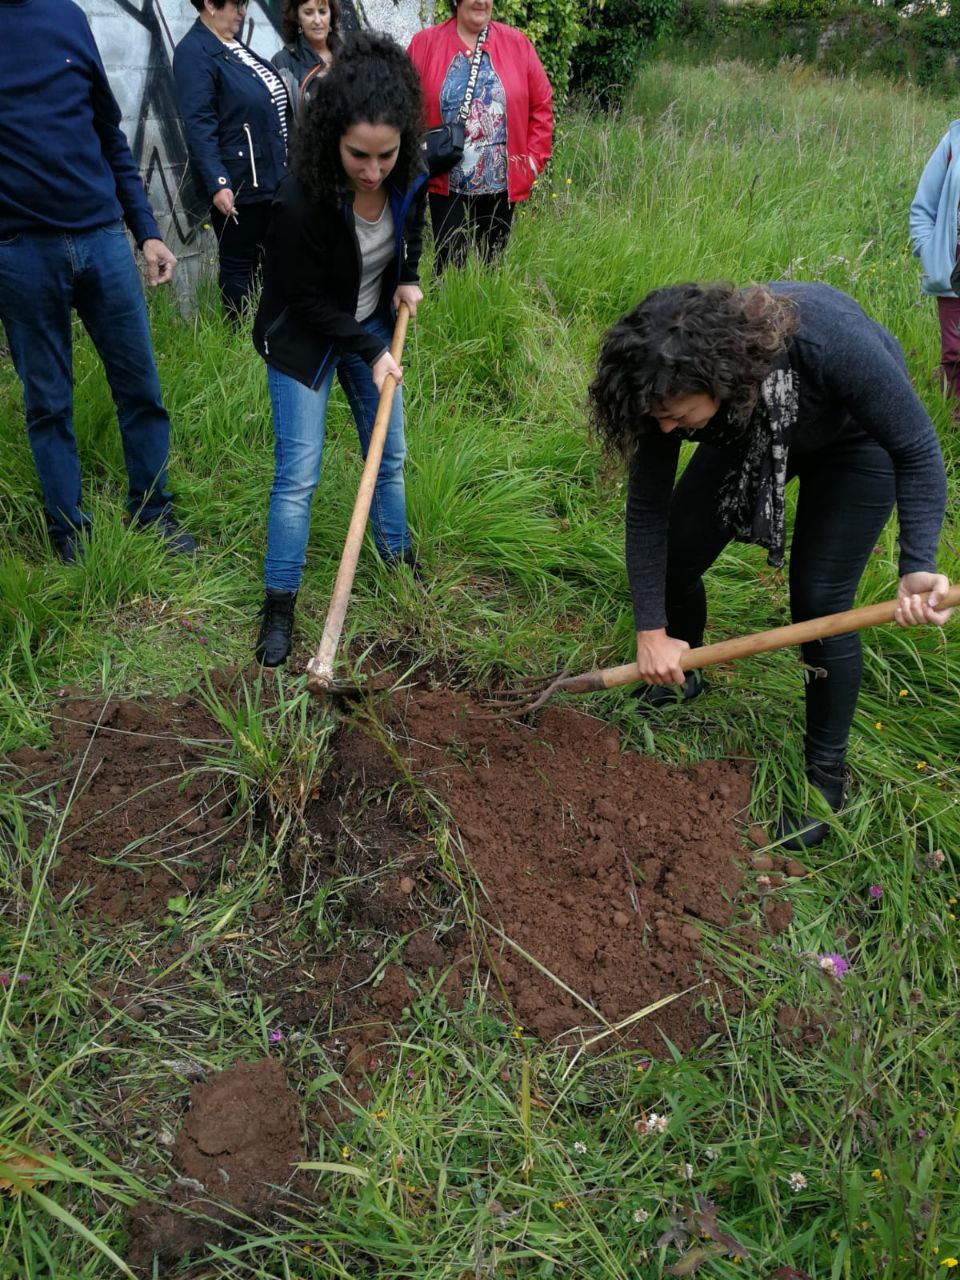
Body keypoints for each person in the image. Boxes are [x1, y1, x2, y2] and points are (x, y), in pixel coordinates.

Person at [588, 281, 952, 849]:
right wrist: (651, 633)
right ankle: (683, 669)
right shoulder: (662, 385)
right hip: (750, 430)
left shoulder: (830, 345)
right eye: (659, 418)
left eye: (677, 416)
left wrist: (917, 563)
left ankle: (824, 783)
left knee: (820, 601)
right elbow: (648, 512)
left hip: (856, 443)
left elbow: (916, 448)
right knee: (676, 556)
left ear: (717, 380)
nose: (666, 429)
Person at [251, 31, 427, 668]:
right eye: (360, 155)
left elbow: (411, 216)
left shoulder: (407, 169)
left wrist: (406, 273)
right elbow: (301, 297)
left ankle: (397, 561)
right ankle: (279, 605)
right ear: (334, 137)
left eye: (386, 154)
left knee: (390, 456)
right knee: (298, 476)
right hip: (303, 337)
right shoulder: (303, 194)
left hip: (367, 327)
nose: (374, 170)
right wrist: (371, 349)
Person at [0, 0, 195, 564]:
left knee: (140, 387)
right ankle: (69, 534)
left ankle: (153, 510)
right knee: (48, 404)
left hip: (103, 237)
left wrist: (147, 230)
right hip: (20, 251)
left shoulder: (67, 16)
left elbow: (108, 135)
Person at [407, 0, 552, 275]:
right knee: (450, 268)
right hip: (445, 181)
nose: (481, 1)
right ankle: (450, 316)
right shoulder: (424, 44)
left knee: (492, 268)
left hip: (500, 182)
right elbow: (401, 102)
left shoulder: (517, 44)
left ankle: (487, 318)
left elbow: (542, 102)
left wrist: (531, 163)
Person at [174, 0, 290, 319]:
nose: (243, 11)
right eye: (237, 4)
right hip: (240, 182)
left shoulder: (233, 47)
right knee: (240, 267)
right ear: (210, 4)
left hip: (269, 177)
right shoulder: (194, 52)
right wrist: (218, 182)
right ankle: (241, 339)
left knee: (272, 264)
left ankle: (269, 337)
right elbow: (199, 123)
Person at [909, 120, 960, 402]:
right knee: (955, 354)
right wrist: (930, 253)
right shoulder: (955, 139)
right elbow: (922, 207)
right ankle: (953, 426)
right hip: (955, 267)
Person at [272, 0, 343, 125]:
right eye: (309, 13)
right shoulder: (283, 62)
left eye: (322, 12)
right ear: (298, 18)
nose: (317, 20)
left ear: (331, 15)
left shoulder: (349, 57)